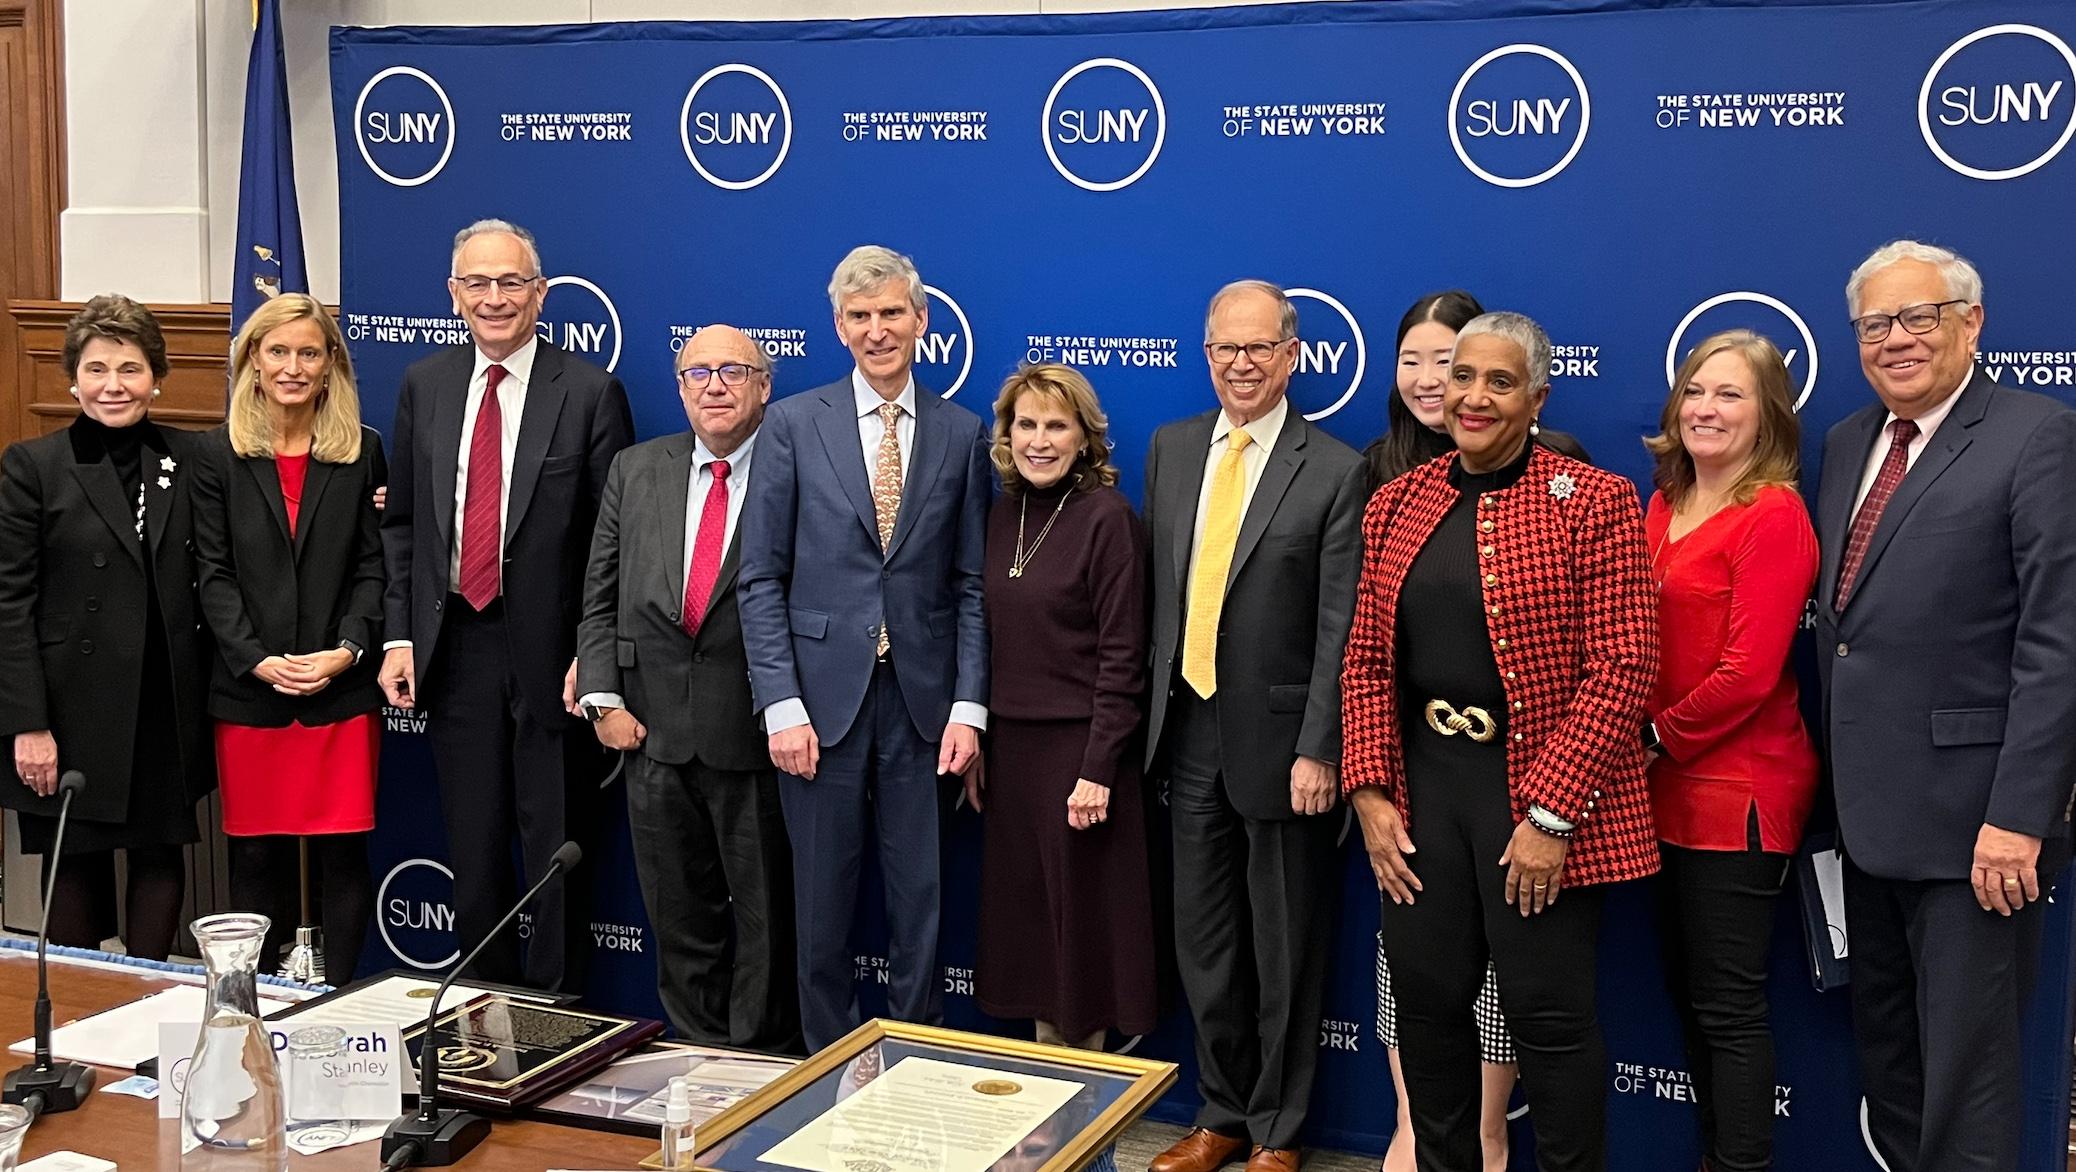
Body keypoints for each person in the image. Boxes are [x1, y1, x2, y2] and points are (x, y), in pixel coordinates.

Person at [1341, 311, 1658, 1172]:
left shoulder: (1594, 501)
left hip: (1538, 808)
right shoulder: (1399, 501)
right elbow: (1366, 659)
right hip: (1422, 802)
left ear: (1536, 397)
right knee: (1428, 1012)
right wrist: (1369, 794)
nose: (1473, 396)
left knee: (1550, 1023)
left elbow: (1624, 667)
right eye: (1461, 376)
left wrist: (1551, 818)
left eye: (1500, 381)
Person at [1813, 240, 2076, 1172]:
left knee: (1972, 1082)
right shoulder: (1848, 442)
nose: (1896, 340)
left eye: (1918, 317)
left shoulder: (2037, 434)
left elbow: (2059, 643)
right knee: (1892, 1067)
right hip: (1863, 824)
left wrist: (2020, 817)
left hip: (1978, 834)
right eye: (1875, 324)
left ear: (1971, 321)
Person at [738, 245, 992, 1049]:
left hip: (922, 708)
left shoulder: (962, 431)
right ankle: (828, 1064)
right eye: (860, 317)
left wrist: (969, 706)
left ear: (922, 321)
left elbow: (972, 585)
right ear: (839, 326)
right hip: (817, 705)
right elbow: (760, 578)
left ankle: (915, 1056)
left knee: (922, 899)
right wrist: (780, 704)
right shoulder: (790, 424)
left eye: (891, 313)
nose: (877, 330)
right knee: (821, 904)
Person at [1142, 280, 1365, 1172]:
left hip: (1283, 749)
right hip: (1186, 732)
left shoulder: (1336, 468)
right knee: (1205, 944)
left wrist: (1321, 745)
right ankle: (1221, 1114)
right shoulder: (1172, 447)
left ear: (1292, 354)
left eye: (1258, 349)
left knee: (1284, 950)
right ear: (1206, 354)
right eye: (1222, 349)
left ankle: (1279, 1131)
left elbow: (1338, 626)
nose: (1239, 364)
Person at [378, 219, 634, 990]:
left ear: (540, 294)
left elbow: (609, 542)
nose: (495, 298)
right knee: (475, 850)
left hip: (555, 657)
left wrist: (594, 650)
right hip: (455, 648)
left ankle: (558, 1019)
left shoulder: (590, 393)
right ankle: (483, 1024)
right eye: (478, 283)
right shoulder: (425, 385)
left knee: (556, 849)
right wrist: (398, 638)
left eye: (511, 282)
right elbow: (404, 530)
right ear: (454, 294)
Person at [575, 325, 799, 1051]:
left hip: (759, 736)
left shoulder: (797, 471)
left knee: (768, 920)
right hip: (651, 735)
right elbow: (598, 597)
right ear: (679, 386)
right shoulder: (637, 470)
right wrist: (603, 699)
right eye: (697, 372)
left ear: (765, 386)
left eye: (734, 371)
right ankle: (698, 1060)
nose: (715, 385)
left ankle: (755, 1066)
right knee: (678, 917)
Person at [1641, 330, 1818, 1172]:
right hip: (1660, 795)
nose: (1707, 409)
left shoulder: (1773, 515)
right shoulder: (1664, 498)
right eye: (1697, 392)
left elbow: (1748, 675)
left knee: (1730, 1010)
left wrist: (1650, 736)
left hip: (1737, 796)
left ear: (1768, 415)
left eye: (1732, 395)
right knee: (1689, 999)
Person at [0, 295, 213, 960]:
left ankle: (147, 1008)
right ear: (73, 378)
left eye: (129, 368)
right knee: (75, 864)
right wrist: (27, 724)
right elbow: (9, 602)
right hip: (67, 709)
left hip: (163, 701)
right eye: (96, 369)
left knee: (158, 856)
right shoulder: (33, 466)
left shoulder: (195, 459)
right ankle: (82, 1016)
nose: (112, 385)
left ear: (157, 377)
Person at [190, 293, 388, 981]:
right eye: (278, 351)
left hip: (341, 689)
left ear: (331, 364)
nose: (293, 367)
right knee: (254, 855)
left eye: (309, 352)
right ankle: (253, 1000)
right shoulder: (214, 456)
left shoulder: (364, 452)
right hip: (251, 691)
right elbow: (210, 573)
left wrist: (347, 650)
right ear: (252, 360)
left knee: (343, 854)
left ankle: (338, 999)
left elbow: (373, 567)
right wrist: (258, 661)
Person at [967, 363, 1156, 1049]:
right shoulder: (998, 515)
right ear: (1006, 434)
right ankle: (1048, 1097)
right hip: (1012, 756)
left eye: (1056, 425)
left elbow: (1122, 656)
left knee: (1081, 942)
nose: (1039, 441)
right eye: (1026, 425)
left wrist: (1099, 767)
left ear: (1084, 438)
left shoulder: (1109, 520)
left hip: (1081, 758)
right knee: (1033, 940)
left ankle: (1084, 1118)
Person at [1365, 290, 1590, 494]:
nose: (1426, 380)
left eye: (1445, 362)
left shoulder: (1562, 460)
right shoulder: (1376, 466)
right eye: (1411, 362)